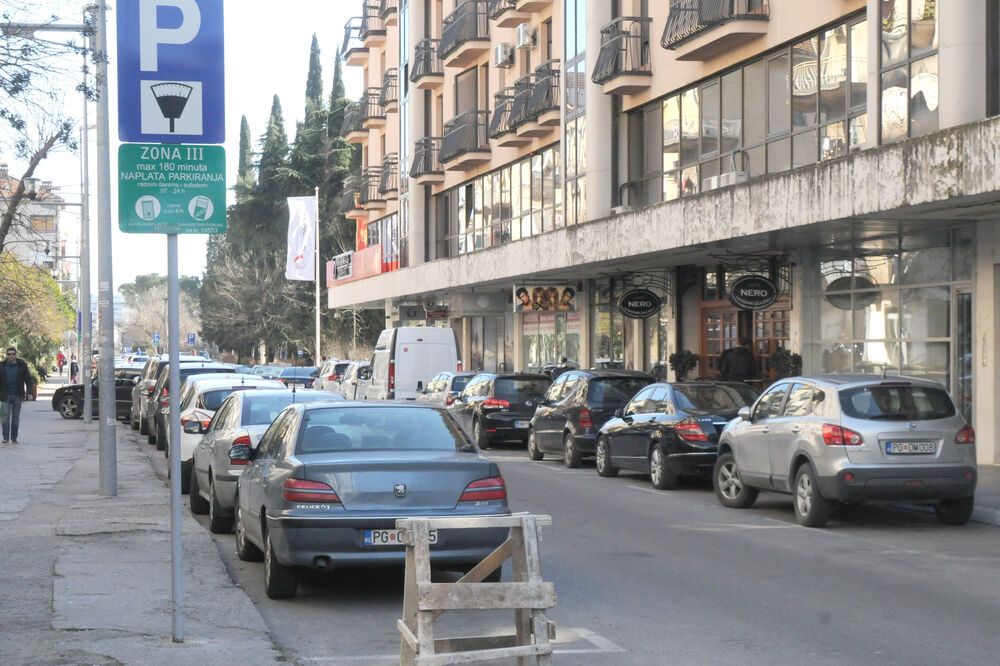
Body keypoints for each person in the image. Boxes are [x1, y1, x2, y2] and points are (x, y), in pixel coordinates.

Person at [1, 347, 37, 444]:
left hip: (18, 395)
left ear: (16, 355)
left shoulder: (22, 365)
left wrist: (30, 393)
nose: (11, 356)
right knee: (5, 416)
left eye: (13, 354)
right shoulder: (2, 366)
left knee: (15, 417)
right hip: (5, 395)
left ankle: (14, 438)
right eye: (9, 354)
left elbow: (28, 380)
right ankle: (5, 437)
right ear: (7, 355)